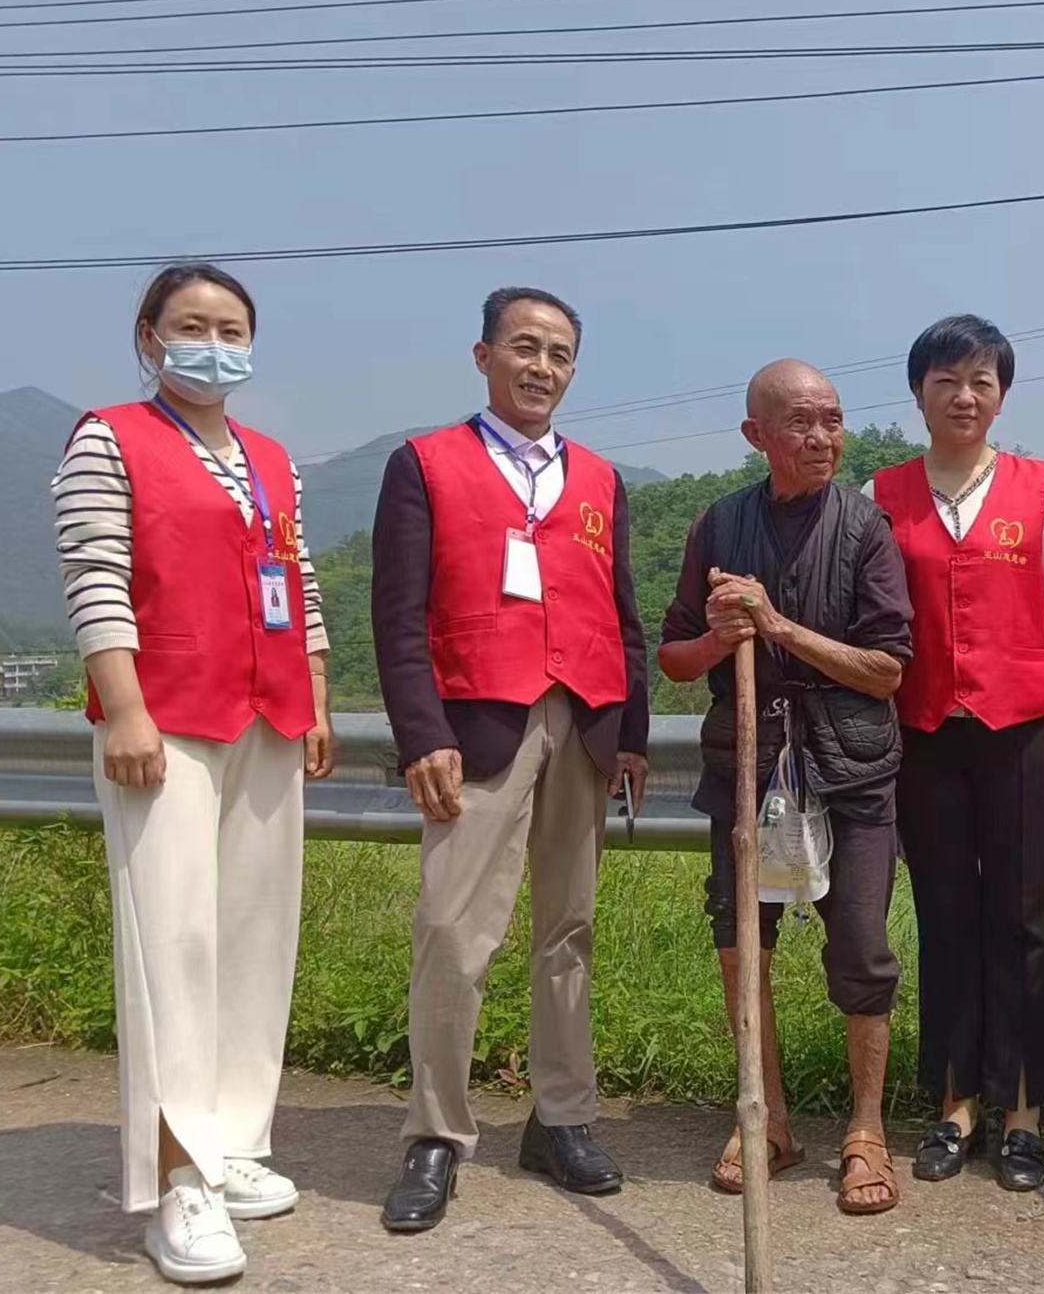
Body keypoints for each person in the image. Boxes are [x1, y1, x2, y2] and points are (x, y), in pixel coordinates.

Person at [53, 262, 336, 1285]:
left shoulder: (267, 456)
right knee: (172, 944)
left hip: (265, 712)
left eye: (229, 326)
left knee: (256, 936)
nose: (212, 341)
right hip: (163, 719)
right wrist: (121, 704)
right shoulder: (109, 437)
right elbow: (93, 571)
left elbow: (294, 576)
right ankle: (177, 1181)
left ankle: (229, 1143)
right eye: (190, 324)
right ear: (148, 336)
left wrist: (310, 688)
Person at [371, 287, 650, 1233]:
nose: (542, 367)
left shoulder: (602, 479)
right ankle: (436, 1137)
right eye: (524, 347)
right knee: (453, 931)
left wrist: (635, 736)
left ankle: (561, 1117)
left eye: (561, 354)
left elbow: (625, 618)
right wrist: (421, 734)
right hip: (475, 729)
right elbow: (398, 616)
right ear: (483, 355)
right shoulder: (425, 463)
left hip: (584, 721)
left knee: (566, 931)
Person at [660, 359, 914, 1216]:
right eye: (801, 423)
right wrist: (717, 637)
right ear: (755, 436)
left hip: (853, 769)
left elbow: (885, 671)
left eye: (832, 421)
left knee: (860, 951)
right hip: (748, 767)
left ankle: (866, 1129)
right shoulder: (719, 526)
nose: (821, 438)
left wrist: (776, 627)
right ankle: (762, 1116)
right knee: (743, 944)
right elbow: (675, 656)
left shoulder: (867, 529)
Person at [867, 315, 1044, 1195]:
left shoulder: (1042, 488)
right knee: (946, 917)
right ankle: (957, 1103)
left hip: (1024, 730)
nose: (965, 396)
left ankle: (1024, 1109)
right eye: (947, 380)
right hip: (925, 736)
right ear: (919, 391)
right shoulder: (880, 494)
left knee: (1024, 918)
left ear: (1002, 394)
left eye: (983, 381)